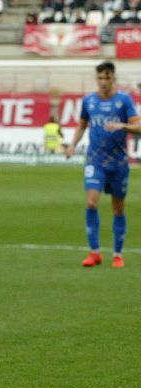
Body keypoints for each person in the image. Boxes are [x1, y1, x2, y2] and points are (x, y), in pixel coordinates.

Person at [68, 61, 139, 268]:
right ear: (96, 79)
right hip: (95, 160)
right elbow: (82, 125)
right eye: (100, 78)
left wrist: (123, 126)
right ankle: (94, 252)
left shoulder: (124, 101)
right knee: (91, 202)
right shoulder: (88, 101)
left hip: (118, 162)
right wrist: (72, 144)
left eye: (107, 78)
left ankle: (117, 254)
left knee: (118, 208)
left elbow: (138, 126)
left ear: (113, 78)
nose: (104, 82)